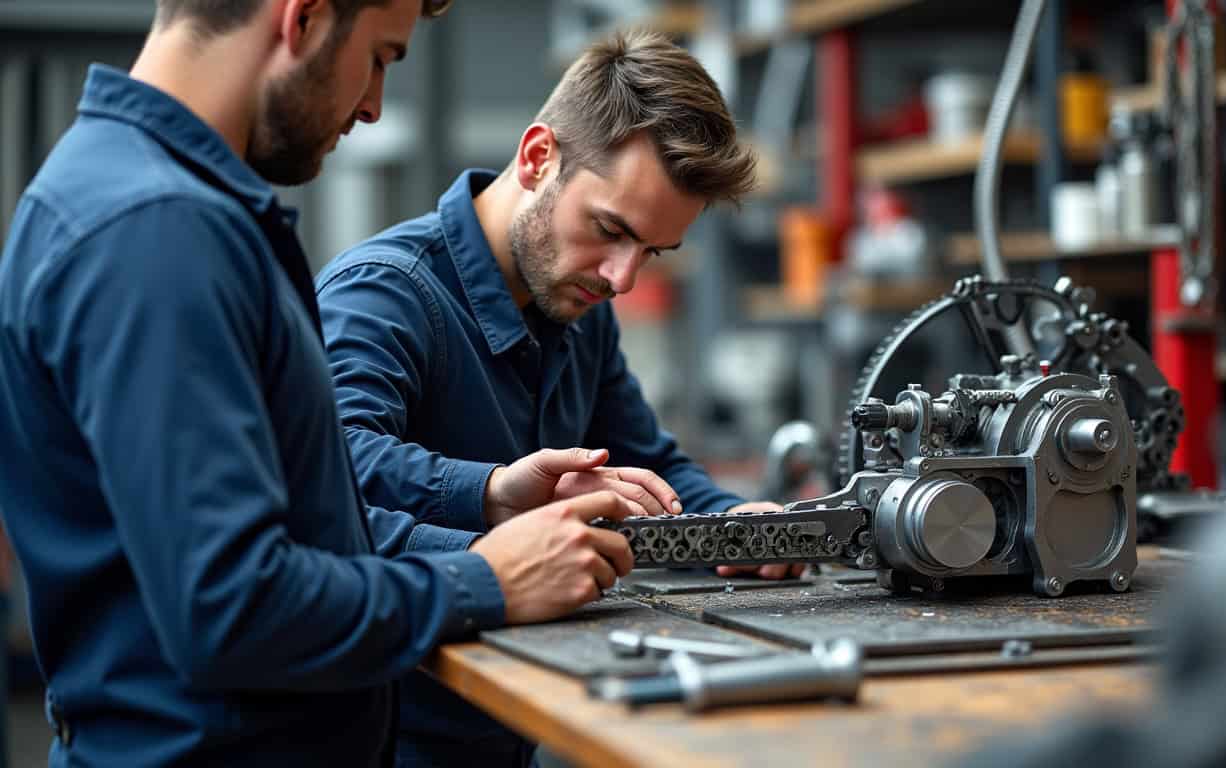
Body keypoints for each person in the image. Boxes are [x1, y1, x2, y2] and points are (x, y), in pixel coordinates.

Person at [0, 2, 642, 765]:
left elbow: (304, 527)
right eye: (379, 57)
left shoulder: (158, 204)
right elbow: (231, 607)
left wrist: (487, 502)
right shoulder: (158, 231)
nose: (372, 105)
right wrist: (483, 581)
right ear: (300, 19)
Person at [315, 29, 801, 766]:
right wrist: (490, 495)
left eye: (653, 252)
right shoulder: (384, 296)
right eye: (610, 230)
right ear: (540, 157)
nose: (623, 278)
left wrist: (737, 528)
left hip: (510, 728)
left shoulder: (581, 308)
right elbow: (329, 473)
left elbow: (646, 458)